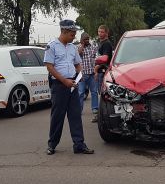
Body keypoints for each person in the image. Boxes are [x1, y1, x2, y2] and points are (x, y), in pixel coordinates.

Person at [44, 19, 94, 155]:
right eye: (72, 34)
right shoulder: (52, 46)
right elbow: (49, 67)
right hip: (59, 85)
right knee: (57, 116)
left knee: (75, 115)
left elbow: (77, 64)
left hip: (73, 84)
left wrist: (80, 73)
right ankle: (52, 144)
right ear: (64, 32)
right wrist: (64, 81)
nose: (74, 37)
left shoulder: (73, 48)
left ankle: (79, 145)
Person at [92, 24, 113, 123]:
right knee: (100, 93)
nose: (100, 34)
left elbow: (105, 59)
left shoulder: (107, 44)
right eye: (99, 31)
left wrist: (96, 69)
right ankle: (101, 116)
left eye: (102, 32)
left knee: (103, 94)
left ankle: (102, 116)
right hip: (99, 71)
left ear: (106, 33)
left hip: (103, 71)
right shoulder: (101, 43)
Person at [77, 32, 98, 115]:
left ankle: (95, 108)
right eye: (85, 39)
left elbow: (96, 59)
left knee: (94, 92)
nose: (86, 40)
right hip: (82, 74)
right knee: (80, 93)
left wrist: (96, 72)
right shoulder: (78, 47)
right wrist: (82, 45)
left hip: (92, 73)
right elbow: (78, 55)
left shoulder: (93, 47)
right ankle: (79, 109)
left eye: (87, 39)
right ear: (81, 40)